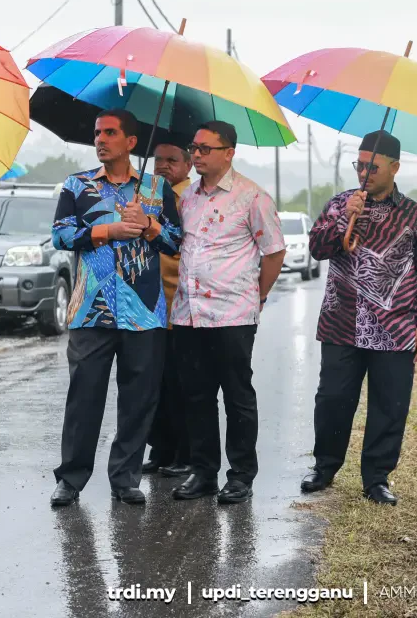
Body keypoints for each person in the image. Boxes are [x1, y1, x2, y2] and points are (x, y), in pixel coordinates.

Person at [301, 130, 417, 506]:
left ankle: (376, 478)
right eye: (360, 165)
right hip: (340, 322)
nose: (364, 172)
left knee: (390, 403)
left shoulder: (415, 215)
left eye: (373, 166)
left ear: (394, 167)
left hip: (395, 330)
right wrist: (343, 220)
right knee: (332, 398)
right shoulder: (340, 204)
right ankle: (325, 467)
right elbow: (316, 249)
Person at [49, 109, 182, 508]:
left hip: (145, 313)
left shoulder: (158, 189)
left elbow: (176, 243)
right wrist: (109, 230)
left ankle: (125, 478)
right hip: (91, 310)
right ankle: (70, 479)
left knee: (139, 399)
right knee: (84, 396)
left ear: (131, 142)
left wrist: (150, 225)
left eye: (110, 133)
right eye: (97, 133)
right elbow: (60, 236)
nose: (101, 139)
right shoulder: (78, 185)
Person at [170, 121, 286, 505]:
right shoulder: (187, 198)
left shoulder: (252, 197)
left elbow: (274, 251)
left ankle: (240, 477)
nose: (197, 154)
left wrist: (259, 295)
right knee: (196, 396)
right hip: (188, 313)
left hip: (232, 314)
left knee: (237, 395)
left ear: (229, 152)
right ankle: (202, 472)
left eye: (205, 148)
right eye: (194, 147)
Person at [143, 141, 193, 477]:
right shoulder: (146, 193)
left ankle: (185, 454)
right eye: (158, 159)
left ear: (188, 164)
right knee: (153, 386)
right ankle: (160, 450)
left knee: (182, 386)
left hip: (180, 307)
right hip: (148, 308)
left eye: (171, 160)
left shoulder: (190, 198)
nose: (162, 165)